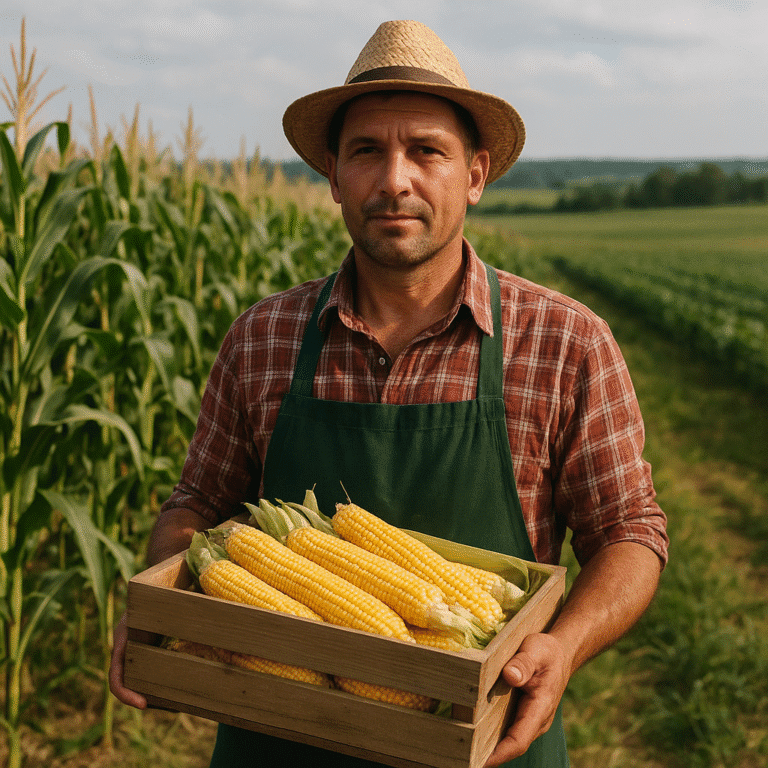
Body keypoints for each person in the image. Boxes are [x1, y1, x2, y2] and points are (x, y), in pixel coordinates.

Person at [110, 19, 668, 767]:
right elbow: (198, 505)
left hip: (486, 740)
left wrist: (562, 647)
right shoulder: (262, 338)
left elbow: (630, 532)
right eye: (367, 151)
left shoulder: (565, 342)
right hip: (278, 736)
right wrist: (164, 600)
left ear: (474, 174)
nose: (394, 180)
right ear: (334, 176)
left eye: (426, 151)